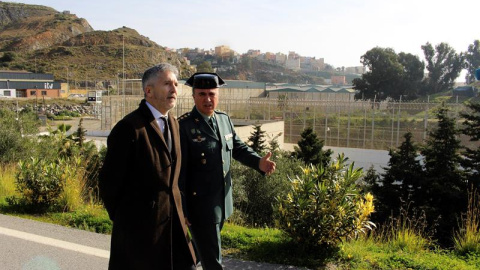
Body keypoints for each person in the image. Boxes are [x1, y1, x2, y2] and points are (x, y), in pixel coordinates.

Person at [99, 63, 196, 270]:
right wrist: (129, 221)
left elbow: (175, 178)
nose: (174, 89)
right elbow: (109, 184)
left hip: (174, 229)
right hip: (140, 233)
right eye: (167, 84)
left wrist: (181, 210)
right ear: (149, 91)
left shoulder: (174, 123)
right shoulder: (129, 128)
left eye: (176, 84)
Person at [178, 72, 276, 270]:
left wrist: (259, 163)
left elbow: (238, 148)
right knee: (213, 261)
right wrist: (183, 209)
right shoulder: (184, 126)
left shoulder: (223, 120)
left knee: (197, 254)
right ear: (193, 96)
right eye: (202, 94)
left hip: (222, 202)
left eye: (212, 94)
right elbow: (180, 171)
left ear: (218, 95)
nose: (207, 99)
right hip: (201, 207)